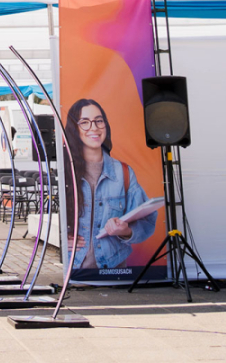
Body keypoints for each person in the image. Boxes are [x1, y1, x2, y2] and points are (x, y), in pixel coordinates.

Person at [65, 99, 157, 270]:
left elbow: (147, 220)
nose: (94, 127)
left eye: (99, 121)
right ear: (74, 129)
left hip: (115, 272)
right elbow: (46, 218)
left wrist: (126, 232)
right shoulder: (64, 172)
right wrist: (61, 237)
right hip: (75, 275)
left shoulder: (124, 172)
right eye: (85, 122)